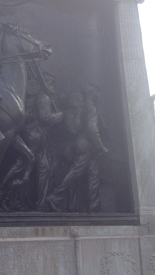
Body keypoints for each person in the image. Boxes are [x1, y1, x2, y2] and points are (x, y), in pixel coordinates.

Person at [0, 72, 63, 211]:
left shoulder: (40, 98)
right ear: (45, 84)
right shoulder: (44, 98)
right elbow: (44, 117)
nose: (53, 86)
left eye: (53, 83)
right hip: (34, 136)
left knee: (43, 168)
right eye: (50, 83)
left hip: (39, 138)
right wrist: (59, 116)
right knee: (22, 164)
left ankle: (40, 203)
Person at [46, 83, 109, 213]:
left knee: (93, 174)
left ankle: (94, 206)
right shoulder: (90, 107)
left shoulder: (82, 106)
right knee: (76, 171)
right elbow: (92, 128)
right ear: (92, 93)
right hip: (87, 144)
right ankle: (55, 196)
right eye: (96, 92)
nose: (97, 95)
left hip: (81, 143)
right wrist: (101, 146)